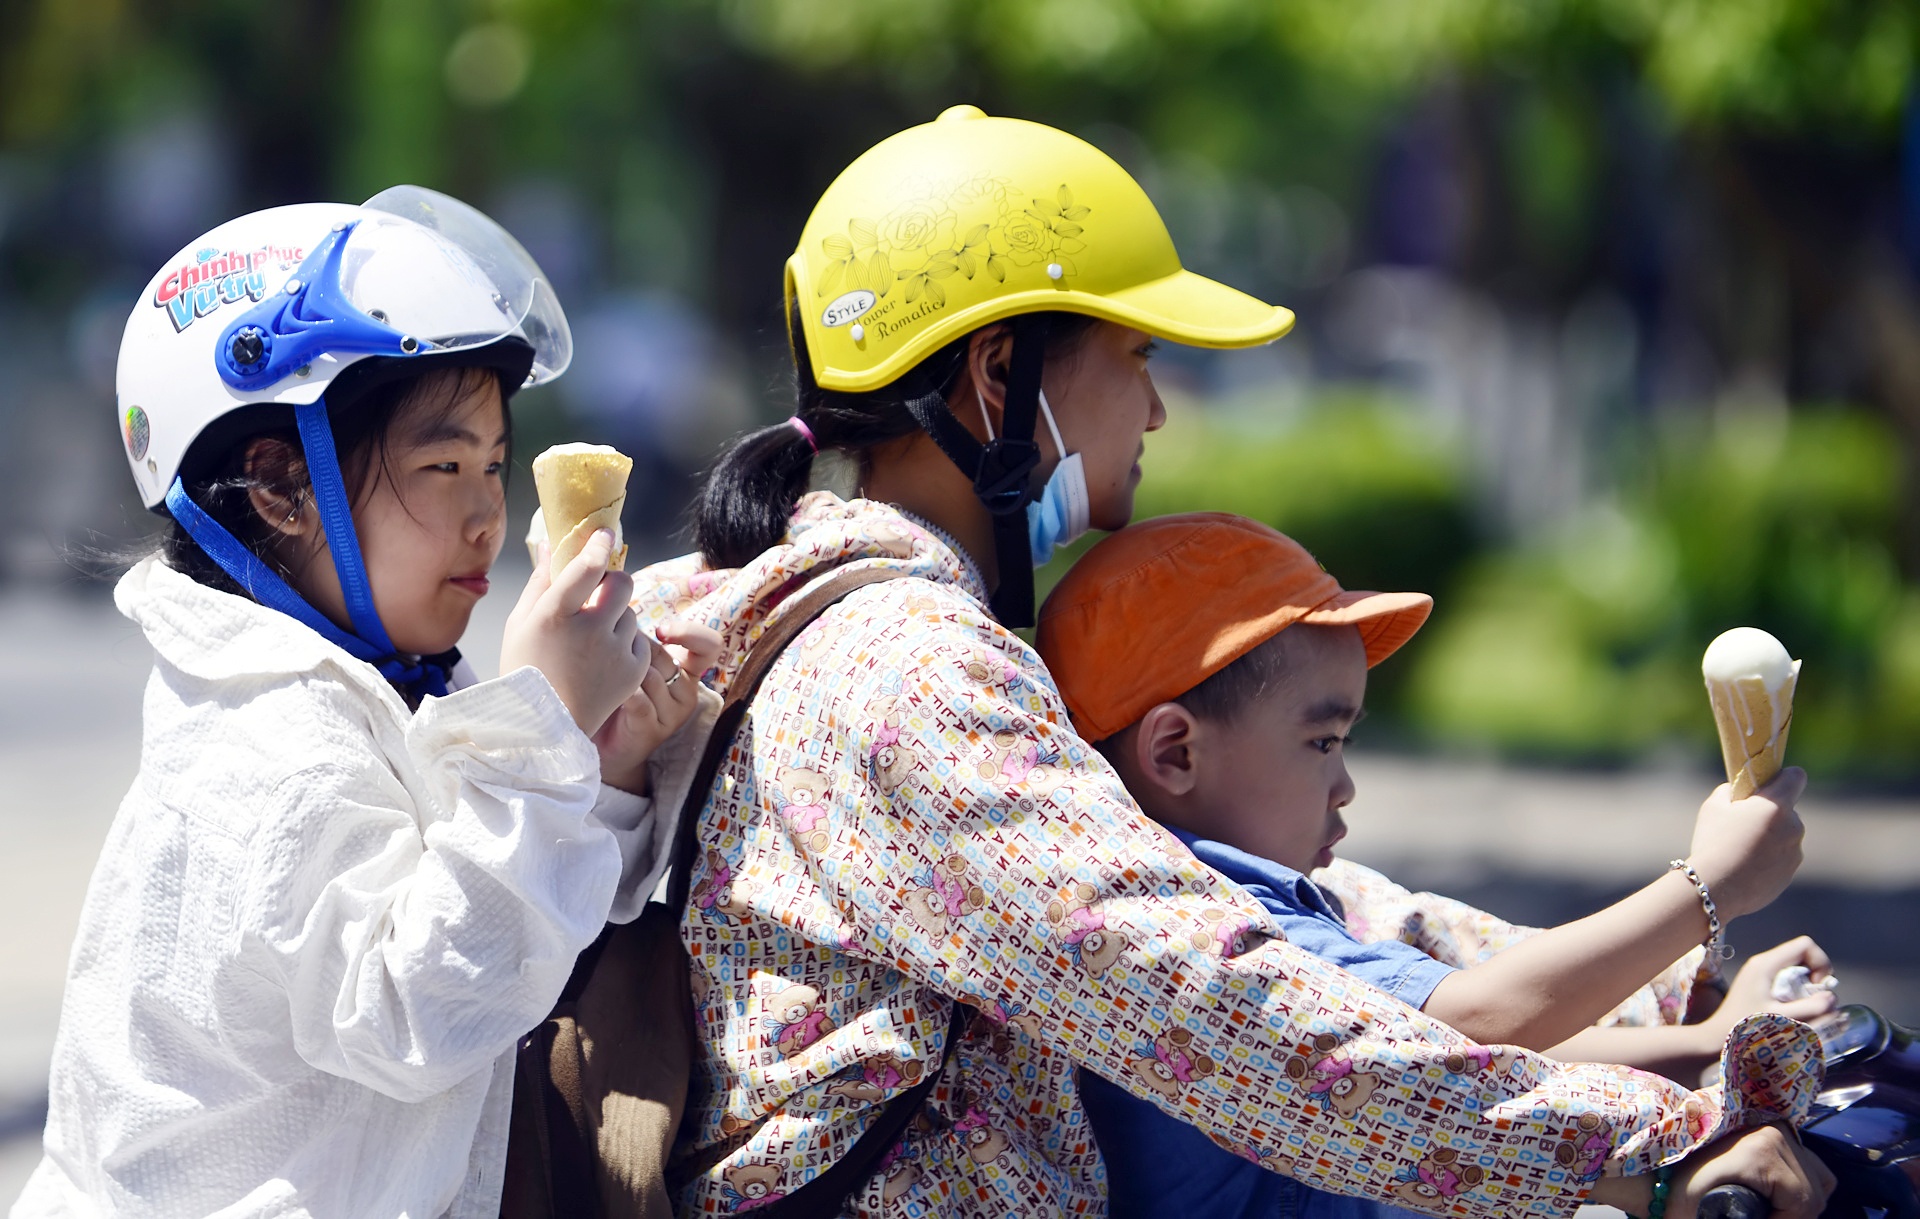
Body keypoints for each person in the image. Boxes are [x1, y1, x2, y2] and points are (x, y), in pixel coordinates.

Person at [629, 105, 1832, 1218]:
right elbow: (1224, 1010)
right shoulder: (910, 676)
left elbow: (1288, 907)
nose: (1156, 412)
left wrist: (1672, 996)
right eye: (1138, 353)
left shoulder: (856, 624)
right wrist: (1659, 1145)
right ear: (1003, 377)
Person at [14, 189, 717, 1218]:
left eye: (495, 463)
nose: (487, 513)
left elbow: (512, 931)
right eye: (441, 464)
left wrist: (597, 769)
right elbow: (430, 1000)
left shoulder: (363, 698)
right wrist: (543, 733)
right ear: (280, 488)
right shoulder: (273, 749)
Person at [1033, 511, 1837, 1218]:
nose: (1344, 784)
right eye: (1322, 742)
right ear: (1175, 750)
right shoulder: (1211, 927)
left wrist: (1705, 1041)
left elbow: (1458, 1066)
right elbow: (1477, 1017)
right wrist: (1705, 887)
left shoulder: (1213, 897)